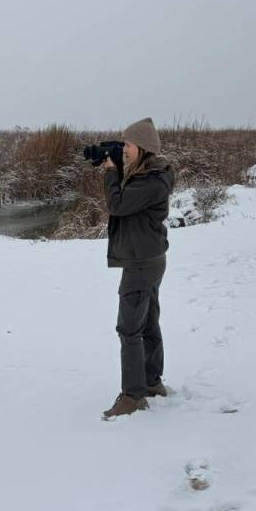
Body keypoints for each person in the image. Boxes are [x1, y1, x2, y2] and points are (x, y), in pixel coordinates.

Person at [100, 117, 176, 419]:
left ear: (143, 147)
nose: (124, 148)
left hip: (142, 263)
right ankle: (151, 382)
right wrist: (117, 169)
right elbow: (128, 202)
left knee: (129, 328)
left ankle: (133, 396)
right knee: (148, 322)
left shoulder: (151, 181)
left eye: (128, 144)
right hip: (149, 258)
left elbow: (118, 205)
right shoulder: (149, 174)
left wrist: (110, 173)